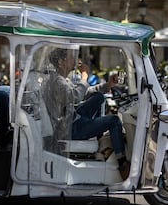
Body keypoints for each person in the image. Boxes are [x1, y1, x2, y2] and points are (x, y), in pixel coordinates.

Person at [43, 48, 130, 180]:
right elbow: (76, 96)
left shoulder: (61, 79)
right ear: (61, 62)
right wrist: (84, 76)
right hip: (68, 129)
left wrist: (108, 85)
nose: (76, 60)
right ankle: (122, 162)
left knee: (99, 98)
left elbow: (85, 91)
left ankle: (98, 135)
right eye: (71, 57)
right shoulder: (57, 82)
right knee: (114, 120)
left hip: (72, 119)